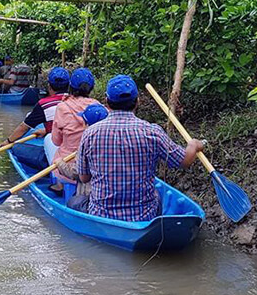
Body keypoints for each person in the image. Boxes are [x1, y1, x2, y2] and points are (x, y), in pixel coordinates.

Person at [77, 75, 205, 222]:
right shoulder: (152, 132)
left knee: (74, 202)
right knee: (158, 195)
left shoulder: (90, 133)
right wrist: (193, 145)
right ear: (137, 101)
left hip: (101, 214)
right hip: (144, 216)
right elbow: (184, 161)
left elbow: (84, 177)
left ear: (107, 102)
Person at [48, 68, 101, 194]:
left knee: (49, 141)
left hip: (69, 166)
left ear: (70, 87)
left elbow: (56, 141)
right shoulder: (98, 107)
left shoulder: (62, 106)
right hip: (94, 165)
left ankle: (60, 184)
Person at [55, 103, 109, 212]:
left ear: (86, 124)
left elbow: (77, 173)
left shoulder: (86, 142)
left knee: (72, 202)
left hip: (92, 196)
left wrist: (59, 163)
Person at [0, 67, 70, 148]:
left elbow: (23, 127)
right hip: (71, 143)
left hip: (57, 147)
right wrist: (47, 131)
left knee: (16, 147)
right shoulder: (76, 101)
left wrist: (8, 141)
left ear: (49, 86)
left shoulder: (44, 104)